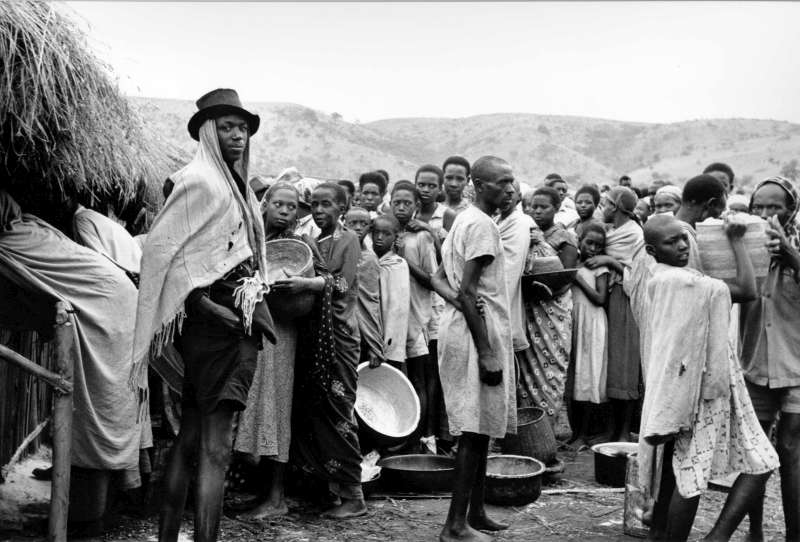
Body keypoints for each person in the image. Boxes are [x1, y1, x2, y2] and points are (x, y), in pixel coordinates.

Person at [131, 89, 275, 542]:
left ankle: (170, 535)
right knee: (216, 448)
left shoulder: (231, 183)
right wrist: (205, 305)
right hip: (220, 328)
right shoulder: (200, 181)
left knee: (191, 438)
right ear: (209, 133)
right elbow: (164, 252)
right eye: (228, 128)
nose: (238, 136)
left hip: (225, 322)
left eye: (243, 128)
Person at [0, 191, 146, 534]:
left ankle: (83, 520)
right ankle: (87, 515)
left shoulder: (15, 239)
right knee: (98, 409)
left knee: (94, 410)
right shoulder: (29, 232)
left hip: (109, 310)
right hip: (114, 302)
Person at [638, 214, 778, 542]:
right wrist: (738, 242)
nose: (683, 244)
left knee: (679, 470)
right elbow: (746, 288)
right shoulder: (682, 282)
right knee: (748, 461)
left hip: (678, 388)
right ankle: (716, 536)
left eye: (684, 237)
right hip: (700, 389)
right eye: (671, 242)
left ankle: (662, 534)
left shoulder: (663, 278)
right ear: (652, 250)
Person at [431, 155, 516, 542]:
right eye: (502, 183)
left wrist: (457, 299)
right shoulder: (479, 225)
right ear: (480, 186)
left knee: (480, 427)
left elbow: (438, 279)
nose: (510, 190)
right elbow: (467, 291)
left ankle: (476, 512)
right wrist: (486, 351)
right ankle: (454, 525)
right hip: (474, 332)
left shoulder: (464, 219)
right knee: (473, 429)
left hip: (463, 323)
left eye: (512, 182)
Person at [233, 182, 310, 519]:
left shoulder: (301, 247)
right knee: (253, 405)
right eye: (279, 203)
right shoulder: (251, 240)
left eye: (292, 207)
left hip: (282, 334)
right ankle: (263, 492)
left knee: (275, 408)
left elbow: (329, 284)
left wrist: (303, 284)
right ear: (264, 205)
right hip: (253, 332)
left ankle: (276, 498)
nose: (284, 211)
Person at [291, 182, 367, 519]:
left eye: (327, 205)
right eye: (315, 205)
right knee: (315, 412)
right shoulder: (310, 242)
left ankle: (354, 495)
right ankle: (329, 489)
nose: (320, 211)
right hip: (314, 336)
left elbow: (344, 284)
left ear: (342, 207)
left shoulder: (348, 240)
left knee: (339, 412)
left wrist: (308, 284)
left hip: (340, 337)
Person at [739, 176, 800, 541]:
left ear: (791, 212)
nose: (764, 214)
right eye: (758, 207)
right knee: (754, 454)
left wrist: (791, 256)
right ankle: (756, 530)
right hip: (755, 362)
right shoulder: (744, 246)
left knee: (791, 450)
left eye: (774, 207)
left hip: (797, 365)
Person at [584, 186, 643, 442]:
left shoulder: (634, 234)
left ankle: (623, 431)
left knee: (625, 363)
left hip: (626, 298)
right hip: (609, 298)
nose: (601, 208)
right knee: (608, 361)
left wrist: (610, 262)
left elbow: (640, 271)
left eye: (605, 204)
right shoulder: (612, 232)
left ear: (615, 207)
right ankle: (609, 428)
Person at [516, 186, 576, 427]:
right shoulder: (523, 233)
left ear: (557, 208)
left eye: (543, 207)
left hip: (553, 310)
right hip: (529, 309)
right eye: (531, 206)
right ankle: (529, 431)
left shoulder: (564, 237)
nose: (536, 211)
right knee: (527, 371)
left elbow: (566, 276)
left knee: (552, 368)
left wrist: (543, 245)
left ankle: (549, 429)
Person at [391, 180, 438, 450]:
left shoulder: (420, 237)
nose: (401, 207)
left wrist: (403, 260)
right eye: (397, 202)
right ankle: (399, 433)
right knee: (397, 376)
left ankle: (420, 437)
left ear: (416, 206)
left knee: (419, 376)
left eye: (407, 203)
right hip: (392, 317)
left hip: (416, 314)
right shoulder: (384, 232)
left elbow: (432, 279)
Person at [569, 223, 610, 446]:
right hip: (576, 322)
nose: (593, 249)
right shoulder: (572, 262)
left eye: (599, 246)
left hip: (592, 324)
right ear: (579, 240)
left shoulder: (598, 269)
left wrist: (579, 279)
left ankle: (584, 435)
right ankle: (575, 434)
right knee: (575, 378)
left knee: (587, 377)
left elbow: (600, 298)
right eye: (589, 243)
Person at [494, 179, 534, 356]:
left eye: (512, 192)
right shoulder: (496, 219)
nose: (508, 195)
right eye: (503, 191)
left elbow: (511, 265)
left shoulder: (520, 221)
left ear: (519, 196)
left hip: (504, 291)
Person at [345, 206, 385, 367]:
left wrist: (374, 343)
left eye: (363, 223)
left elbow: (370, 302)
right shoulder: (335, 251)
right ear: (344, 224)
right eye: (353, 223)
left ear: (370, 227)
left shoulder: (369, 259)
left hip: (359, 331)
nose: (358, 227)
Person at [372, 214, 410, 369]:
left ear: (396, 237)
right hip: (371, 335)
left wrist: (385, 343)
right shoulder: (369, 260)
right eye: (376, 233)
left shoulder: (398, 265)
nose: (380, 237)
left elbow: (396, 309)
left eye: (386, 234)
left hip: (389, 339)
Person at [674, 174, 728, 270]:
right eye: (719, 212)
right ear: (710, 204)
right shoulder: (684, 239)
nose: (719, 218)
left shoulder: (666, 230)